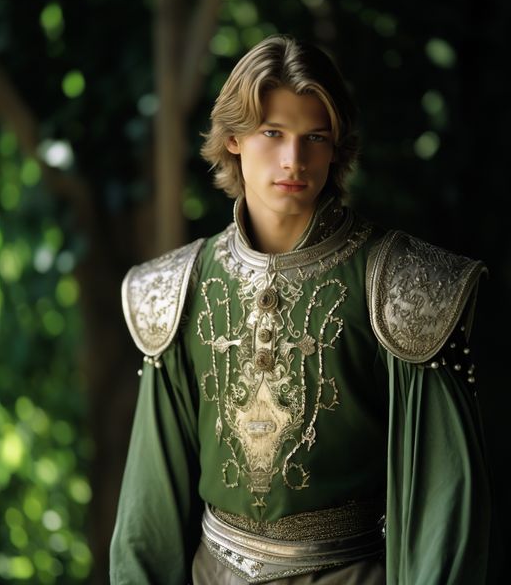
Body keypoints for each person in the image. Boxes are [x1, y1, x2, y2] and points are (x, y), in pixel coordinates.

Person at [110, 34, 491, 584]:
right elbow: (149, 504)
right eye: (273, 133)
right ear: (235, 139)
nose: (294, 159)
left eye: (314, 137)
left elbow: (444, 502)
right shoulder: (177, 288)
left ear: (336, 147)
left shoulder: (403, 284)